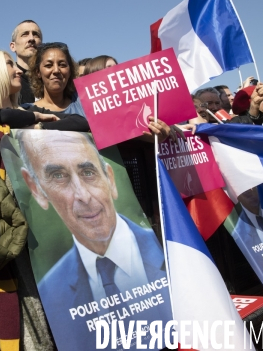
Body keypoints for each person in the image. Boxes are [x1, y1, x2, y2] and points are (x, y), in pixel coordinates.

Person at [17, 130, 171, 350]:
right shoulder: (52, 290)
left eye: (88, 172)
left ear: (110, 178)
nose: (84, 196)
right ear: (37, 189)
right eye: (58, 176)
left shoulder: (171, 255)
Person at [0, 49, 89, 131]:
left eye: (62, 64)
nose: (19, 70)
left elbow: (80, 122)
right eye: (10, 64)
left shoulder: (29, 111)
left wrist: (38, 126)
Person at [24, 42, 86, 117]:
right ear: (38, 72)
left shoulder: (84, 106)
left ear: (70, 71)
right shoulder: (25, 111)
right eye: (48, 65)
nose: (56, 70)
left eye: (62, 65)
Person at [10, 20, 42, 104]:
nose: (31, 38)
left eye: (36, 34)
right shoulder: (7, 81)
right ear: (13, 46)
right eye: (25, 34)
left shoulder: (52, 78)